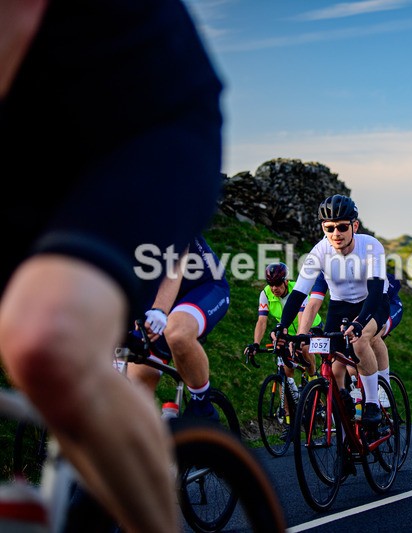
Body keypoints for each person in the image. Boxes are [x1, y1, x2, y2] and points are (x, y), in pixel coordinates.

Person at [0, 1, 223, 531]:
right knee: (115, 375)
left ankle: (199, 402)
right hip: (34, 138)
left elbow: (172, 260)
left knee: (52, 339)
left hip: (143, 122)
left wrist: (153, 318)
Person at [273, 194, 390, 428]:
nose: (336, 233)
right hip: (339, 306)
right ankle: (342, 415)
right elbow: (298, 294)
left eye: (342, 227)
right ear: (323, 228)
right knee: (331, 361)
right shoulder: (319, 251)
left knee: (360, 341)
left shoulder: (371, 246)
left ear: (354, 226)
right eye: (329, 228)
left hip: (372, 301)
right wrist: (283, 326)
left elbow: (376, 290)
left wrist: (360, 323)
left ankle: (373, 404)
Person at [129, 235, 230, 421]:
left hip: (202, 286)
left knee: (177, 332)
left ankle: (202, 407)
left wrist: (160, 310)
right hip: (153, 297)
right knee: (133, 388)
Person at [244, 262, 323, 390]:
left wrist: (298, 339)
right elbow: (262, 321)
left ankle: (313, 380)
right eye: (271, 284)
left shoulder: (298, 291)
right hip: (289, 331)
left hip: (310, 326)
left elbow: (302, 317)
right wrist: (256, 343)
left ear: (286, 281)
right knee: (286, 373)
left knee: (304, 348)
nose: (274, 288)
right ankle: (286, 409)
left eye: (277, 284)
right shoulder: (265, 294)